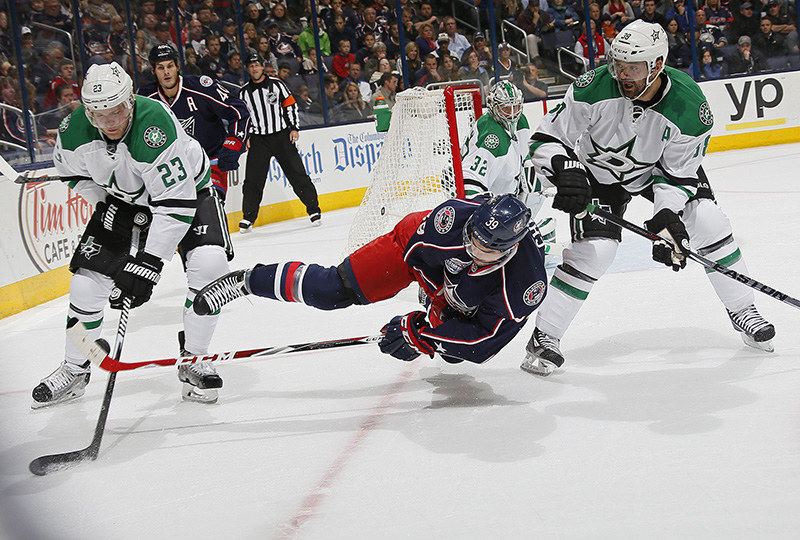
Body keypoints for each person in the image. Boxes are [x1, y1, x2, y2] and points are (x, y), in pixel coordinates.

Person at [520, 20, 776, 377]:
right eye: (616, 64)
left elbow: (679, 174)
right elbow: (544, 139)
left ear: (657, 65)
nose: (620, 73)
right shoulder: (593, 88)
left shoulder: (690, 106)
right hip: (598, 175)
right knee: (596, 252)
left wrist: (666, 218)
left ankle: (743, 309)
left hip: (657, 174)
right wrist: (565, 168)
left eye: (632, 67)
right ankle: (545, 335)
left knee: (707, 221)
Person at [32, 62, 231, 406]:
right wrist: (104, 202)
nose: (110, 121)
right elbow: (70, 175)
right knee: (84, 285)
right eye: (99, 114)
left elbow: (175, 206)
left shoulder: (154, 123)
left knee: (210, 268)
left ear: (130, 101)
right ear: (88, 111)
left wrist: (146, 266)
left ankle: (194, 358)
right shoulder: (74, 130)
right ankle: (76, 366)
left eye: (117, 110)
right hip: (124, 202)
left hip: (189, 194)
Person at [193, 194, 549, 365]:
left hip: (457, 291)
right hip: (413, 251)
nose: (471, 246)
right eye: (470, 237)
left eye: (484, 249)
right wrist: (429, 309)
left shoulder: (524, 284)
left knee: (452, 355)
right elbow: (418, 257)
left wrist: (423, 333)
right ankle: (246, 282)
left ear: (508, 250)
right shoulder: (452, 220)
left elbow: (483, 343)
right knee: (331, 290)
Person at [139, 45, 251, 200]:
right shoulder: (146, 98)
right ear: (153, 71)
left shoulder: (201, 87)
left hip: (210, 161)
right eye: (160, 68)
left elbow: (239, 111)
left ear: (178, 67)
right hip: (172, 170)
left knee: (210, 203)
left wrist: (234, 142)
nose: (166, 72)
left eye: (170, 66)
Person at [239, 54, 321, 232]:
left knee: (297, 174)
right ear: (247, 69)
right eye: (251, 66)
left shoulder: (277, 85)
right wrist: (245, 138)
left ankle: (314, 209)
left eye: (257, 65)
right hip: (258, 139)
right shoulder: (244, 92)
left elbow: (290, 105)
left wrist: (293, 128)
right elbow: (242, 117)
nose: (254, 69)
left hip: (281, 136)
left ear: (262, 67)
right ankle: (248, 217)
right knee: (253, 180)